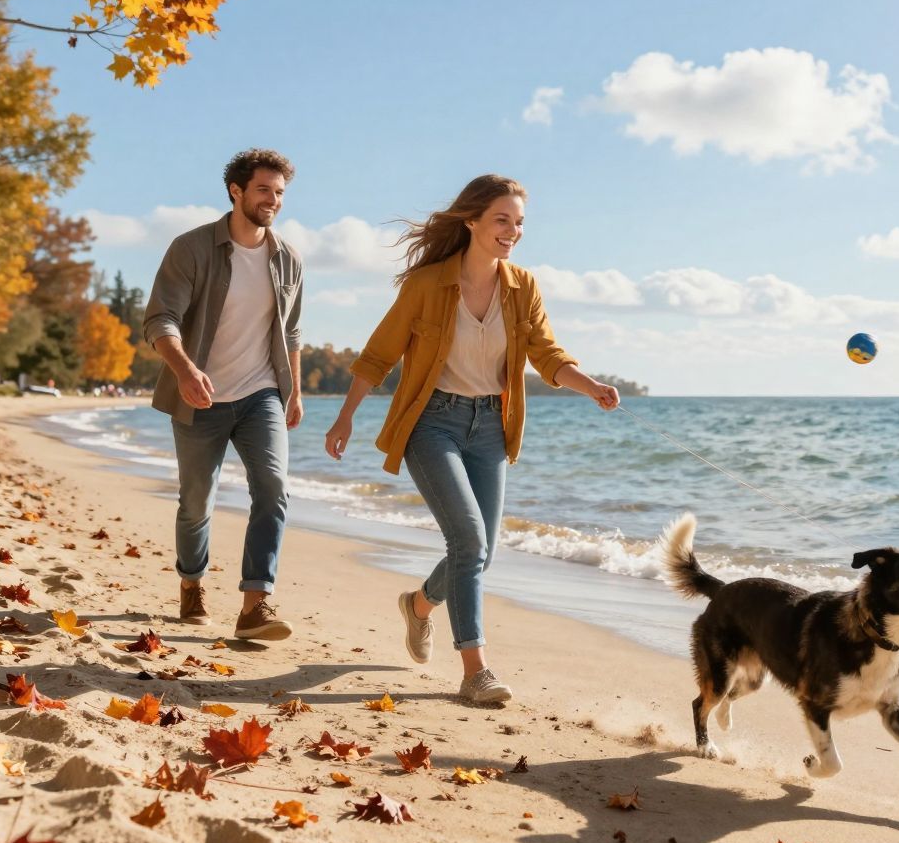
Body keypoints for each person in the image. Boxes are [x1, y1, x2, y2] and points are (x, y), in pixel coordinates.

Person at [324, 174, 618, 704]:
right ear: (473, 221)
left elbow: (546, 355)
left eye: (520, 222)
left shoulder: (522, 286)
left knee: (480, 553)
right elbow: (379, 354)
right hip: (431, 423)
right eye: (502, 219)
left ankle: (418, 606)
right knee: (469, 541)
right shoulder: (427, 284)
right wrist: (345, 417)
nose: (513, 231)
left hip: (490, 427)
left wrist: (589, 385)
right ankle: (475, 669)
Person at [143, 148, 304, 641]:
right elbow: (160, 319)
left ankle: (255, 606)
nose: (272, 200)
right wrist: (187, 370)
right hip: (200, 397)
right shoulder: (191, 248)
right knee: (196, 501)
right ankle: (191, 584)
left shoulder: (287, 259)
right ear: (236, 191)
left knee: (273, 489)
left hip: (262, 395)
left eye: (279, 192)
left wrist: (292, 391)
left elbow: (292, 332)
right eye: (263, 189)